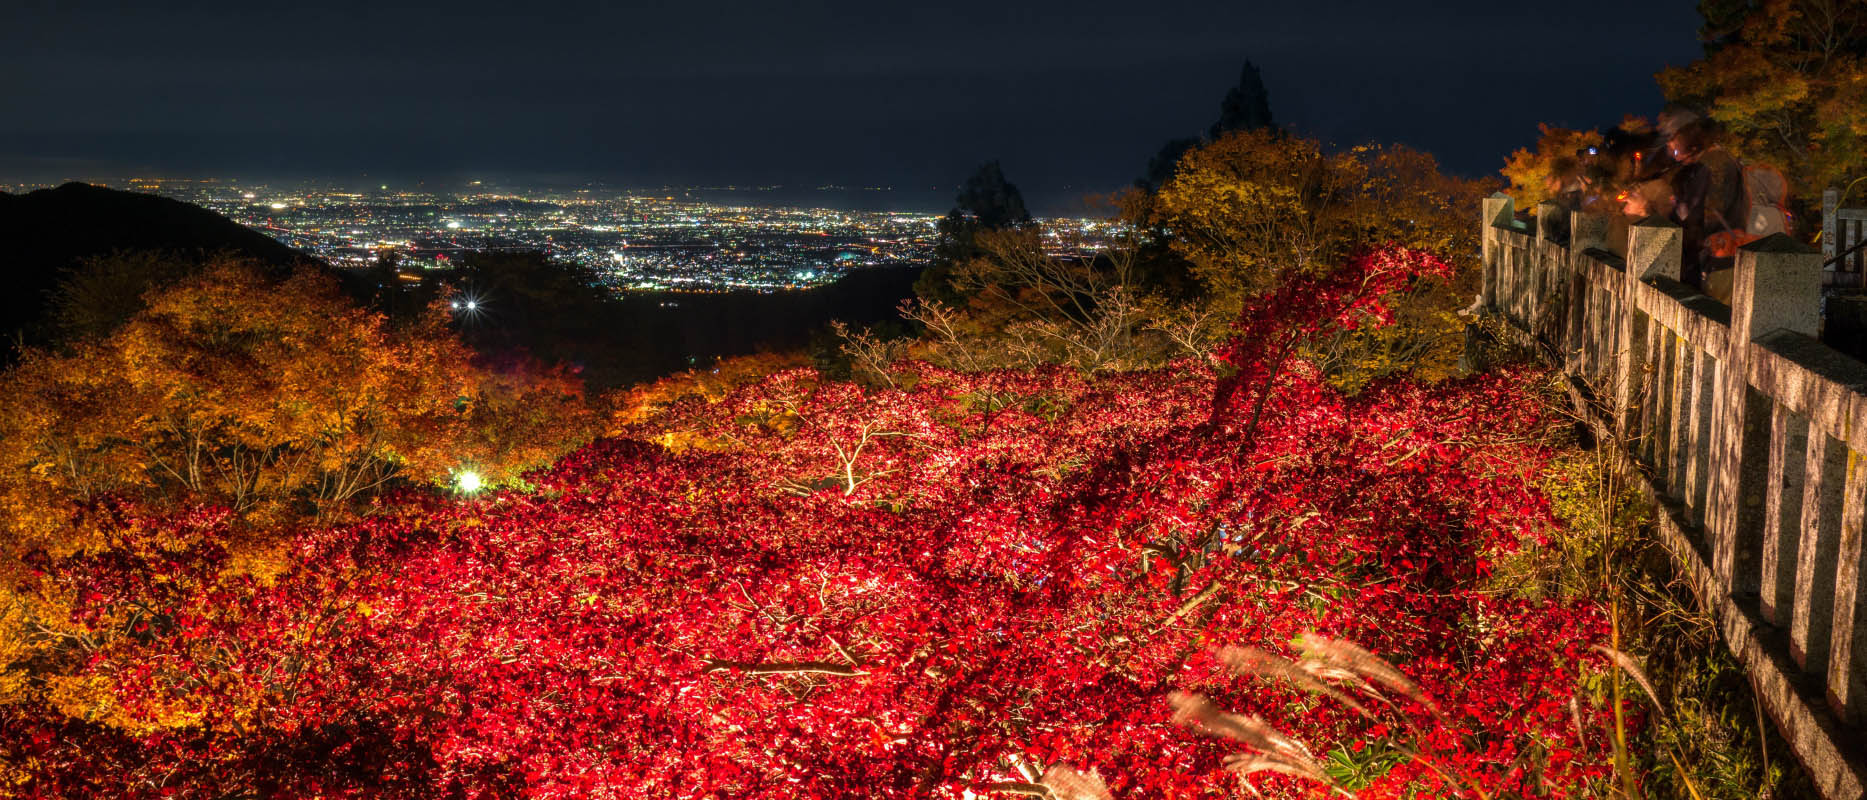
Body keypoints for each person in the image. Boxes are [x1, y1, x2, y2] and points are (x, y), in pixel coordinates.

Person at [1665, 119, 1746, 292]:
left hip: (1716, 247)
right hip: (1728, 243)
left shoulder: (1708, 165)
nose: (1676, 157)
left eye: (1678, 150)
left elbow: (1695, 209)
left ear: (1693, 148)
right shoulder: (1724, 158)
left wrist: (1678, 206)